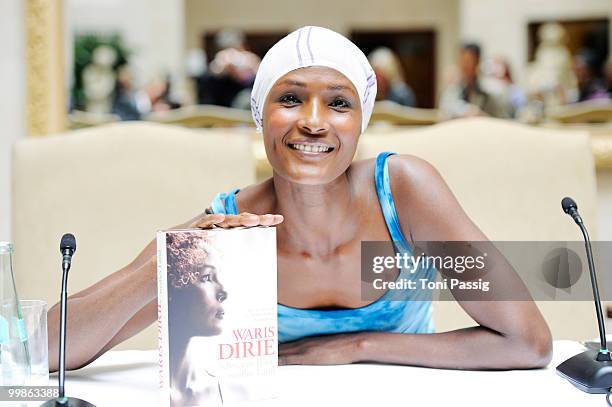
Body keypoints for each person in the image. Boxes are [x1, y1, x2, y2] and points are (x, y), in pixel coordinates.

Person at [48, 26, 552, 372]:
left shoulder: (404, 190)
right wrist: (170, 255)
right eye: (290, 98)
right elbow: (48, 350)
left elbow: (527, 341)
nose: (313, 120)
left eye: (338, 103)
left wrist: (357, 347)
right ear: (259, 115)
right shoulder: (226, 226)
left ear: (361, 123)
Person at [166, 232, 227, 406]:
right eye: (207, 277)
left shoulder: (218, 391)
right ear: (175, 284)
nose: (223, 291)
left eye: (218, 277)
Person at [439, 43, 512, 119]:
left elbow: (502, 119)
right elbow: (446, 109)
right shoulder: (452, 90)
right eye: (461, 61)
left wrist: (482, 116)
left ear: (478, 61)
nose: (464, 66)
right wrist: (465, 110)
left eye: (468, 61)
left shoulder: (492, 91)